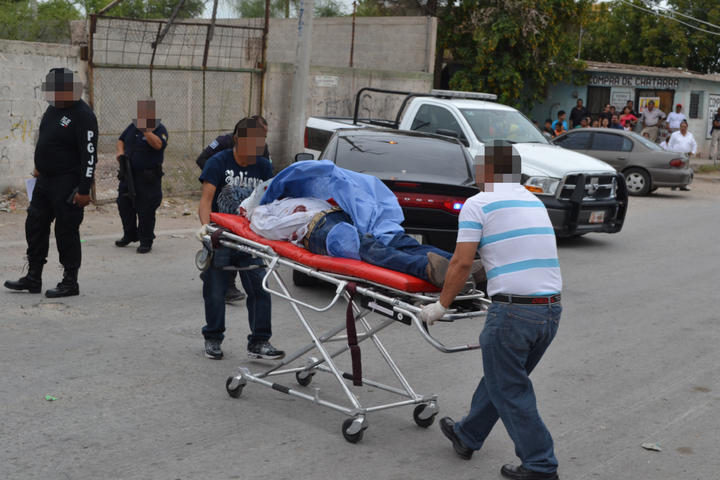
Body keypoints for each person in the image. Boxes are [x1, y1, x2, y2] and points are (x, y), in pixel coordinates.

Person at [421, 141, 562, 480]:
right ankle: (468, 434)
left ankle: (540, 464)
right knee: (503, 378)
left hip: (514, 313)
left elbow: (461, 262)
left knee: (510, 388)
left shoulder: (478, 203)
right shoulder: (533, 200)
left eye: (478, 166)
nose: (475, 173)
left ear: (488, 170)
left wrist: (440, 305)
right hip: (550, 310)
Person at [4, 68, 98, 298]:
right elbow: (46, 138)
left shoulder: (83, 115)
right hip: (44, 181)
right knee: (35, 225)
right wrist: (39, 166)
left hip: (67, 182)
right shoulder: (53, 108)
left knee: (66, 231)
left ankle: (70, 282)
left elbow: (89, 155)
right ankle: (33, 277)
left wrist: (84, 189)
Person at [197, 117, 284, 360]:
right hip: (221, 237)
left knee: (260, 289)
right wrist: (206, 230)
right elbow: (206, 200)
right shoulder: (218, 162)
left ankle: (259, 342)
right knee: (215, 291)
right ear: (238, 139)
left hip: (250, 239)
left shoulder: (263, 166)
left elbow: (269, 204)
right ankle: (213, 338)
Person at [196, 114, 269, 304]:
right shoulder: (222, 147)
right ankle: (222, 283)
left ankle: (221, 280)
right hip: (222, 215)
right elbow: (205, 198)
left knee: (246, 261)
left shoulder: (262, 156)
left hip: (247, 221)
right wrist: (215, 177)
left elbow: (267, 192)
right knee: (222, 252)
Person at [115, 99, 168, 253]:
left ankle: (146, 240)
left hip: (148, 178)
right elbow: (121, 139)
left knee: (146, 209)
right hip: (129, 175)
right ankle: (130, 234)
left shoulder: (160, 129)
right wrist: (120, 152)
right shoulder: (132, 127)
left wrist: (145, 130)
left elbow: (158, 145)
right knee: (124, 204)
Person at [667, 120, 695, 191]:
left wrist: (693, 152)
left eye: (685, 127)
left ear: (687, 127)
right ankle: (673, 185)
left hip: (686, 156)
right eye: (682, 126)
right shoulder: (674, 134)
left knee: (685, 171)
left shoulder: (690, 135)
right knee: (675, 171)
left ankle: (683, 186)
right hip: (676, 155)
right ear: (679, 127)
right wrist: (671, 154)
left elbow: (694, 144)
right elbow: (670, 144)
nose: (683, 128)